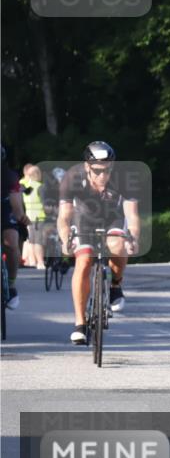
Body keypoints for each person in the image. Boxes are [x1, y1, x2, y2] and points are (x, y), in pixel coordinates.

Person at [57, 141, 140, 344]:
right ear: (87, 166)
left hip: (113, 218)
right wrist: (65, 239)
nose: (103, 175)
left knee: (118, 245)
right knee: (84, 260)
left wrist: (134, 238)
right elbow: (64, 216)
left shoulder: (123, 178)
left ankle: (115, 284)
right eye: (97, 170)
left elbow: (132, 215)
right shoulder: (72, 177)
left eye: (107, 170)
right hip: (83, 219)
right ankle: (80, 323)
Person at [2, 146, 29, 309]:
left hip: (5, 211)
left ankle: (11, 285)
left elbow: (16, 205)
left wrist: (20, 217)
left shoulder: (9, 176)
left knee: (12, 244)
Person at [20, 164, 47, 269]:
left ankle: (32, 261)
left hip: (28, 216)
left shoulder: (25, 187)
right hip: (39, 217)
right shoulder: (39, 186)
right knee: (38, 241)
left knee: (31, 241)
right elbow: (45, 204)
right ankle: (40, 262)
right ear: (37, 174)